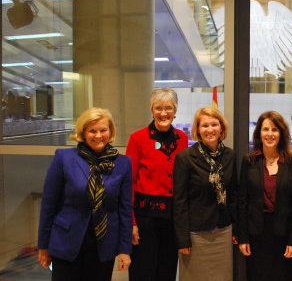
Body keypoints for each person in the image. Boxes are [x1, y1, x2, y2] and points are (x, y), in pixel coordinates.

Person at [37, 107, 132, 281]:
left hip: (103, 245)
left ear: (110, 131)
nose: (98, 136)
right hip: (66, 242)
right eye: (92, 131)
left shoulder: (123, 163)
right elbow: (49, 205)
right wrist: (43, 245)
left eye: (103, 130)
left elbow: (125, 210)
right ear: (83, 132)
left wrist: (125, 249)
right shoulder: (64, 158)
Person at [126, 88, 188, 281]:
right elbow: (128, 183)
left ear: (175, 110)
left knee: (167, 271)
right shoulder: (138, 139)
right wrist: (132, 223)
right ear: (151, 110)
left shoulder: (182, 139)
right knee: (143, 272)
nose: (163, 113)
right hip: (145, 220)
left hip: (172, 219)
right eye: (158, 108)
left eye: (168, 108)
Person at [238, 111, 292, 281]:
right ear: (259, 133)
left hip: (284, 234)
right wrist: (243, 237)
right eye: (265, 129)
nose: (270, 134)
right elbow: (242, 202)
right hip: (255, 235)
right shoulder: (249, 161)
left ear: (281, 133)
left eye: (274, 129)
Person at [173, 107, 237, 281]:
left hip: (223, 230)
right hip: (195, 234)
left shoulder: (230, 156)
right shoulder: (185, 158)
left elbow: (234, 196)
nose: (210, 130)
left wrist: (237, 229)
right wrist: (183, 239)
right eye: (205, 125)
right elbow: (179, 201)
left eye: (214, 124)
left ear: (221, 128)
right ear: (198, 130)